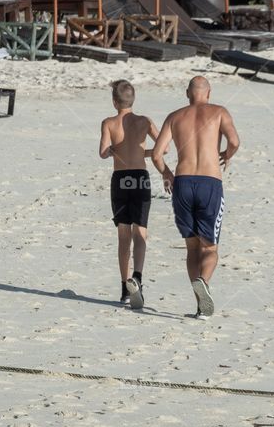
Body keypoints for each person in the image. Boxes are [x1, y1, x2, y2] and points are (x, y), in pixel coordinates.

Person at [151, 76, 239, 318]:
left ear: (187, 94)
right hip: (210, 183)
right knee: (210, 248)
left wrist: (166, 173)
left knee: (192, 248)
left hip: (182, 183)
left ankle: (200, 307)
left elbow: (157, 155)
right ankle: (204, 282)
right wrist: (226, 154)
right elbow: (234, 141)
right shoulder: (219, 111)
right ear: (208, 93)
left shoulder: (175, 116)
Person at [99, 80, 162, 308]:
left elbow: (103, 153)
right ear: (133, 100)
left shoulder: (108, 122)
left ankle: (125, 288)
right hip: (140, 178)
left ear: (114, 101)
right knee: (141, 231)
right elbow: (163, 147)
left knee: (123, 235)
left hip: (120, 179)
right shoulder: (144, 121)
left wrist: (117, 150)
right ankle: (139, 278)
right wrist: (141, 152)